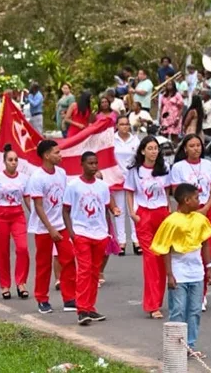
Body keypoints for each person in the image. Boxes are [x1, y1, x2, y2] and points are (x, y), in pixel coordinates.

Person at [150, 183, 211, 359]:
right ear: (186, 200)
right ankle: (174, 347)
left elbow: (206, 244)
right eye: (196, 198)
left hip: (196, 271)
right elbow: (165, 249)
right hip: (179, 271)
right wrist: (169, 274)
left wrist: (209, 267)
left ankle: (190, 345)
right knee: (177, 309)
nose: (199, 201)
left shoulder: (200, 219)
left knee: (194, 310)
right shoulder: (171, 221)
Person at [62, 151, 119, 325]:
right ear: (82, 164)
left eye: (95, 163)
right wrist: (71, 232)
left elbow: (108, 205)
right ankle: (82, 309)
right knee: (84, 271)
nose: (93, 167)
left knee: (95, 272)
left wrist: (114, 211)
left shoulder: (102, 186)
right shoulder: (73, 186)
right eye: (90, 163)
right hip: (82, 233)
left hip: (100, 233)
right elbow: (66, 210)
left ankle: (90, 307)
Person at [26, 140, 77, 314]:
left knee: (69, 259)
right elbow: (38, 206)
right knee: (43, 263)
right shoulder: (37, 177)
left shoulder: (61, 173)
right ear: (47, 155)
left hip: (61, 225)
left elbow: (63, 200)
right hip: (43, 228)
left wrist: (67, 224)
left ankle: (69, 298)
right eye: (56, 152)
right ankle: (42, 298)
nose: (60, 155)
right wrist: (50, 229)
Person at [124, 136, 171, 319]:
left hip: (161, 214)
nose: (153, 152)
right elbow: (129, 192)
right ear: (143, 151)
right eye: (150, 148)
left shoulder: (164, 168)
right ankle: (152, 305)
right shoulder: (135, 171)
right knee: (150, 258)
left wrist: (168, 210)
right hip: (143, 214)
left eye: (156, 148)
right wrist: (132, 213)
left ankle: (158, 299)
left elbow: (167, 191)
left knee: (161, 258)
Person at [171, 134, 211, 311]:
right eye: (192, 145)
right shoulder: (178, 167)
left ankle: (201, 293)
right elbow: (177, 192)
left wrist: (205, 209)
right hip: (187, 212)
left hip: (205, 209)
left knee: (208, 249)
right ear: (185, 149)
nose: (196, 148)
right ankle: (184, 290)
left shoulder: (209, 165)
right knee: (189, 250)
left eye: (198, 145)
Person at [0, 144, 31, 300]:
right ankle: (5, 285)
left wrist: (35, 214)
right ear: (4, 161)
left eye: (15, 160)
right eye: (10, 160)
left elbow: (27, 199)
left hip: (17, 214)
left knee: (22, 248)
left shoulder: (24, 178)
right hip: (1, 214)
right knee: (2, 251)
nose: (13, 162)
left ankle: (21, 282)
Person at [113, 116, 140, 255]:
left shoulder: (135, 140)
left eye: (126, 124)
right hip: (117, 178)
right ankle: (121, 242)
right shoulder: (112, 139)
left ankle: (136, 241)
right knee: (119, 210)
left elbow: (139, 157)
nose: (124, 126)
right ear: (117, 125)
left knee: (133, 209)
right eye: (121, 124)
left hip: (132, 177)